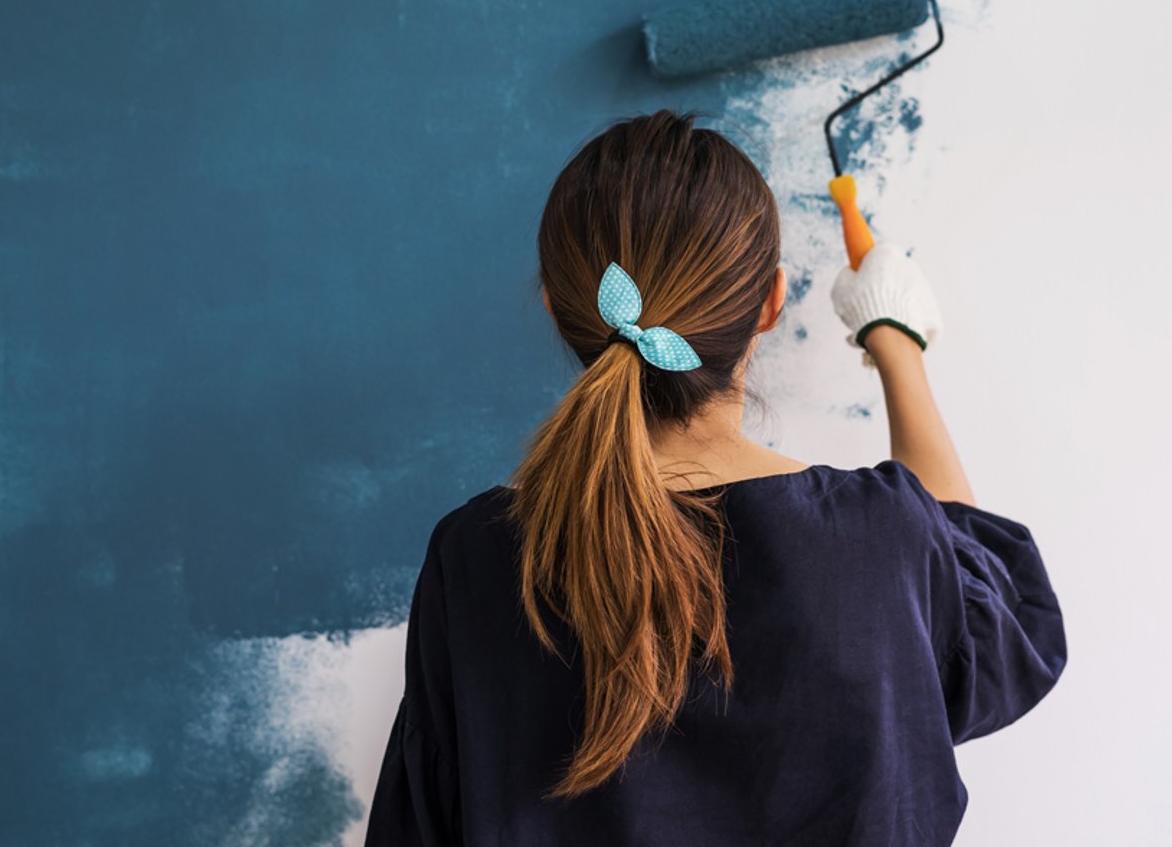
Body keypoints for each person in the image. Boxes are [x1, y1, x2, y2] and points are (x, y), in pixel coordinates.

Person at [364, 109, 1066, 846]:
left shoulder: (475, 559)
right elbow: (997, 622)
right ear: (771, 302)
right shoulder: (876, 539)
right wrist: (897, 341)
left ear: (555, 306)